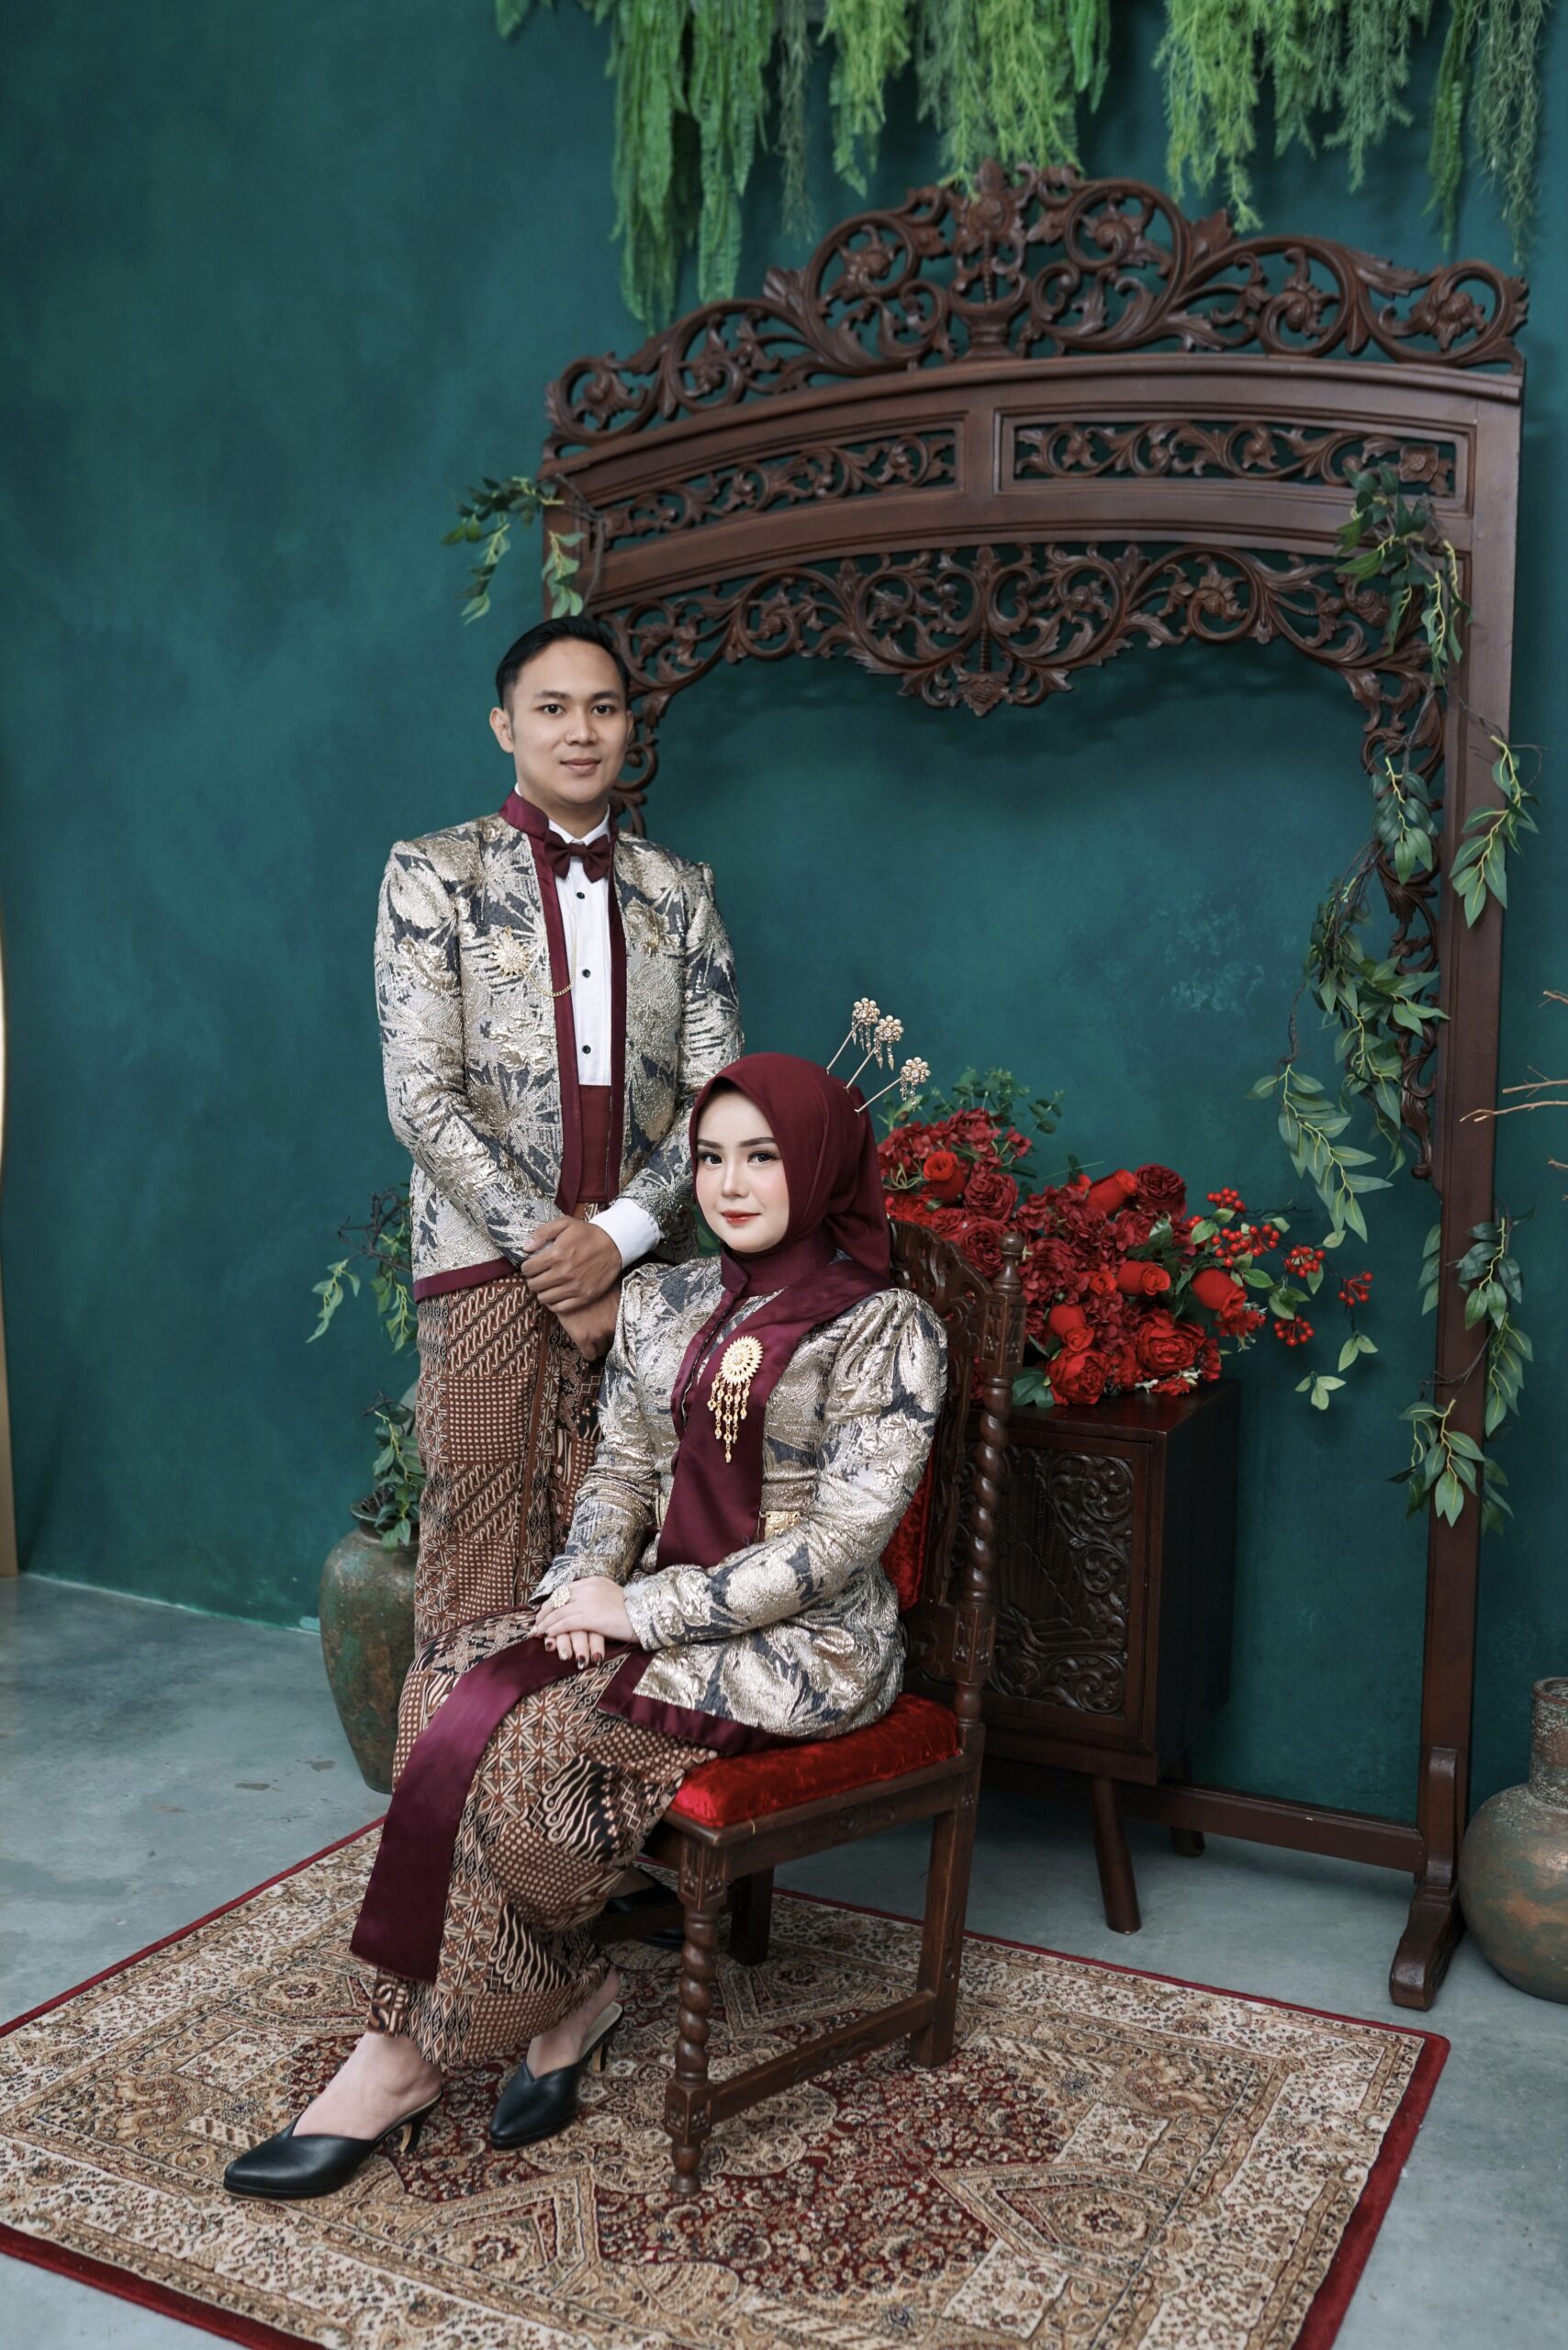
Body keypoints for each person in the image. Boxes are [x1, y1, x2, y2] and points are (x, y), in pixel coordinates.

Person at [224, 1053, 947, 2199]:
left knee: (537, 1748)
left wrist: (637, 1608)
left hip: (799, 1646)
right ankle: (563, 2000)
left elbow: (835, 1547)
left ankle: (403, 2060)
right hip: (644, 1607)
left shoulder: (885, 1330)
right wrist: (578, 1589)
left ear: (818, 1165)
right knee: (444, 1677)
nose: (729, 1184)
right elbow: (620, 1472)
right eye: (710, 1158)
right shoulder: (667, 1299)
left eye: (762, 1156)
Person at [376, 614, 742, 1647]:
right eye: (552, 708)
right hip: (483, 1264)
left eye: (603, 708)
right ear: (506, 727)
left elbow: (717, 1096)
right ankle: (447, 1758)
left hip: (650, 1272)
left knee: (627, 1558)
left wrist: (616, 1242)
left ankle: (584, 1762)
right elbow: (421, 1096)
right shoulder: (433, 873)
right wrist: (560, 1260)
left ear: (628, 726)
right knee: (477, 1555)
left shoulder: (679, 890)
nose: (580, 731)